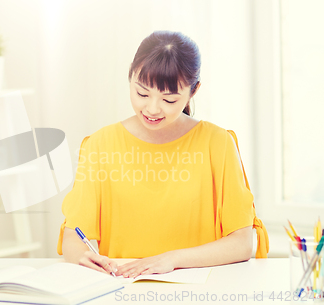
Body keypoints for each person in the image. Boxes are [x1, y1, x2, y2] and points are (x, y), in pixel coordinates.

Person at [57, 30, 269, 278]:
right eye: (142, 94)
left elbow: (241, 243)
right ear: (130, 77)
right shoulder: (100, 144)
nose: (152, 109)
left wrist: (172, 260)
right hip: (120, 288)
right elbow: (75, 234)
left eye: (169, 100)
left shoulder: (218, 143)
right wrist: (81, 255)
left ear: (194, 90)